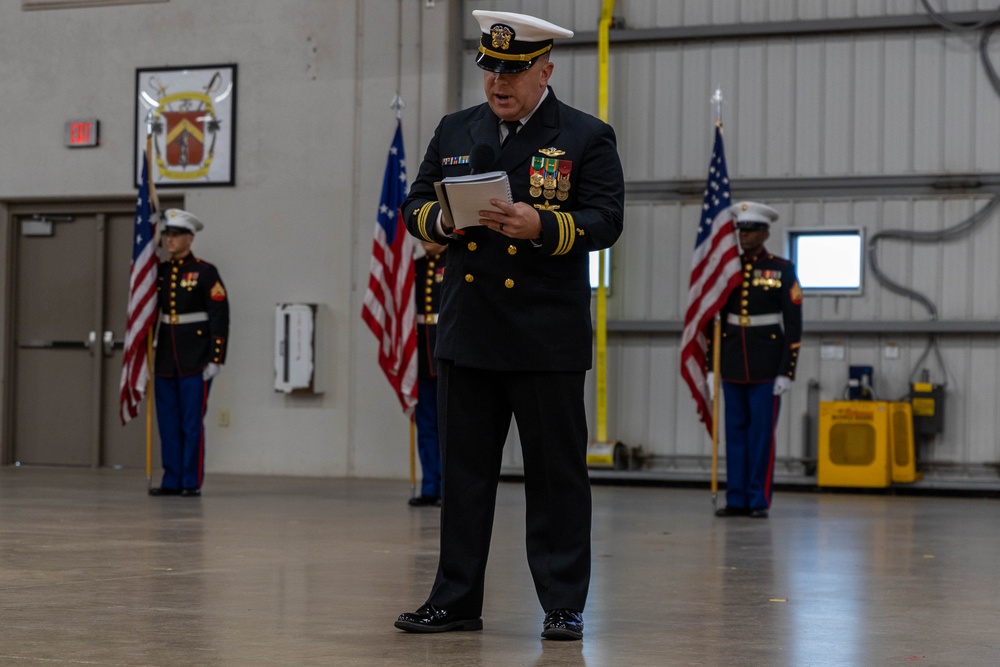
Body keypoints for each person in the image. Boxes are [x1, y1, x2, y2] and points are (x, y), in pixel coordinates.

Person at [394, 10, 624, 641]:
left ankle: (562, 603)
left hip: (545, 338)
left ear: (544, 70)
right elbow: (415, 204)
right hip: (470, 332)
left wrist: (543, 227)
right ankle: (456, 598)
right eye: (491, 68)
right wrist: (440, 224)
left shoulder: (583, 135)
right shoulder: (456, 129)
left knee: (555, 481)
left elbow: (605, 220)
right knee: (464, 477)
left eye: (513, 70)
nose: (499, 82)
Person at [711, 202, 802, 519]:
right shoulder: (727, 268)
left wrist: (786, 372)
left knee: (761, 435)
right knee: (734, 435)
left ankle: (757, 499)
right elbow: (715, 317)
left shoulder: (782, 269)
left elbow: (793, 324)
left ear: (765, 233)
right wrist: (713, 365)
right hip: (733, 360)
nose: (744, 236)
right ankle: (736, 499)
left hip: (767, 364)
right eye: (741, 230)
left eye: (751, 231)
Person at [149, 208, 230, 498]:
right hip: (166, 360)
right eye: (167, 235)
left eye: (175, 235)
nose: (169, 241)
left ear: (190, 238)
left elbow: (219, 315)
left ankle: (190, 480)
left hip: (195, 360)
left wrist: (216, 357)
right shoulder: (159, 273)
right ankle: (171, 478)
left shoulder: (205, 272)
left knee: (191, 424)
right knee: (168, 424)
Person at [409, 240, 447, 508]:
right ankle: (430, 487)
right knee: (426, 425)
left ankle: (449, 488)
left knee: (450, 427)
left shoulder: (455, 262)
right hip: (421, 356)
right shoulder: (414, 268)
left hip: (446, 350)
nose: (425, 240)